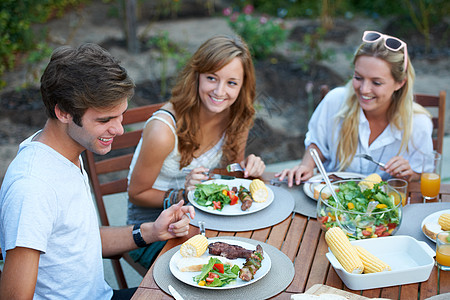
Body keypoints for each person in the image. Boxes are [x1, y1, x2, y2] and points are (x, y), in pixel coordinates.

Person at [0, 43, 194, 300]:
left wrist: (153, 231)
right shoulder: (33, 187)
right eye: (105, 120)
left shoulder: (67, 154)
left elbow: (79, 240)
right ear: (64, 112)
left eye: (120, 116)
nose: (119, 130)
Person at [125, 35, 265, 265]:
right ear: (197, 76)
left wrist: (248, 167)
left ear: (242, 86)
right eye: (212, 78)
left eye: (231, 83)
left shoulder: (238, 117)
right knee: (223, 267)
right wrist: (183, 194)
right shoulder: (163, 130)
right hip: (153, 225)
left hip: (201, 216)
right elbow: (136, 194)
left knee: (259, 244)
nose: (220, 91)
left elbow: (230, 174)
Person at [277, 31, 433, 187]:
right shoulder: (335, 100)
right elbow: (317, 143)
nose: (364, 90)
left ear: (400, 83)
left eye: (376, 83)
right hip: (331, 197)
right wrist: (306, 165)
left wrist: (409, 173)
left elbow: (421, 174)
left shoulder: (418, 123)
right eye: (358, 78)